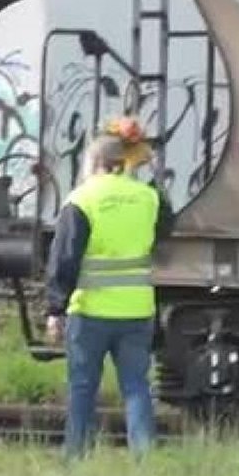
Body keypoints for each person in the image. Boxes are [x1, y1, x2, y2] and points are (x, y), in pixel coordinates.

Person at [45, 116, 174, 458]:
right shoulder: (148, 198)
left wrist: (55, 309)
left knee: (83, 388)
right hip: (137, 311)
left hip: (90, 313)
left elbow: (65, 258)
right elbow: (165, 228)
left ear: (96, 162)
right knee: (136, 387)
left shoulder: (82, 200)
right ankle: (144, 457)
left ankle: (76, 457)